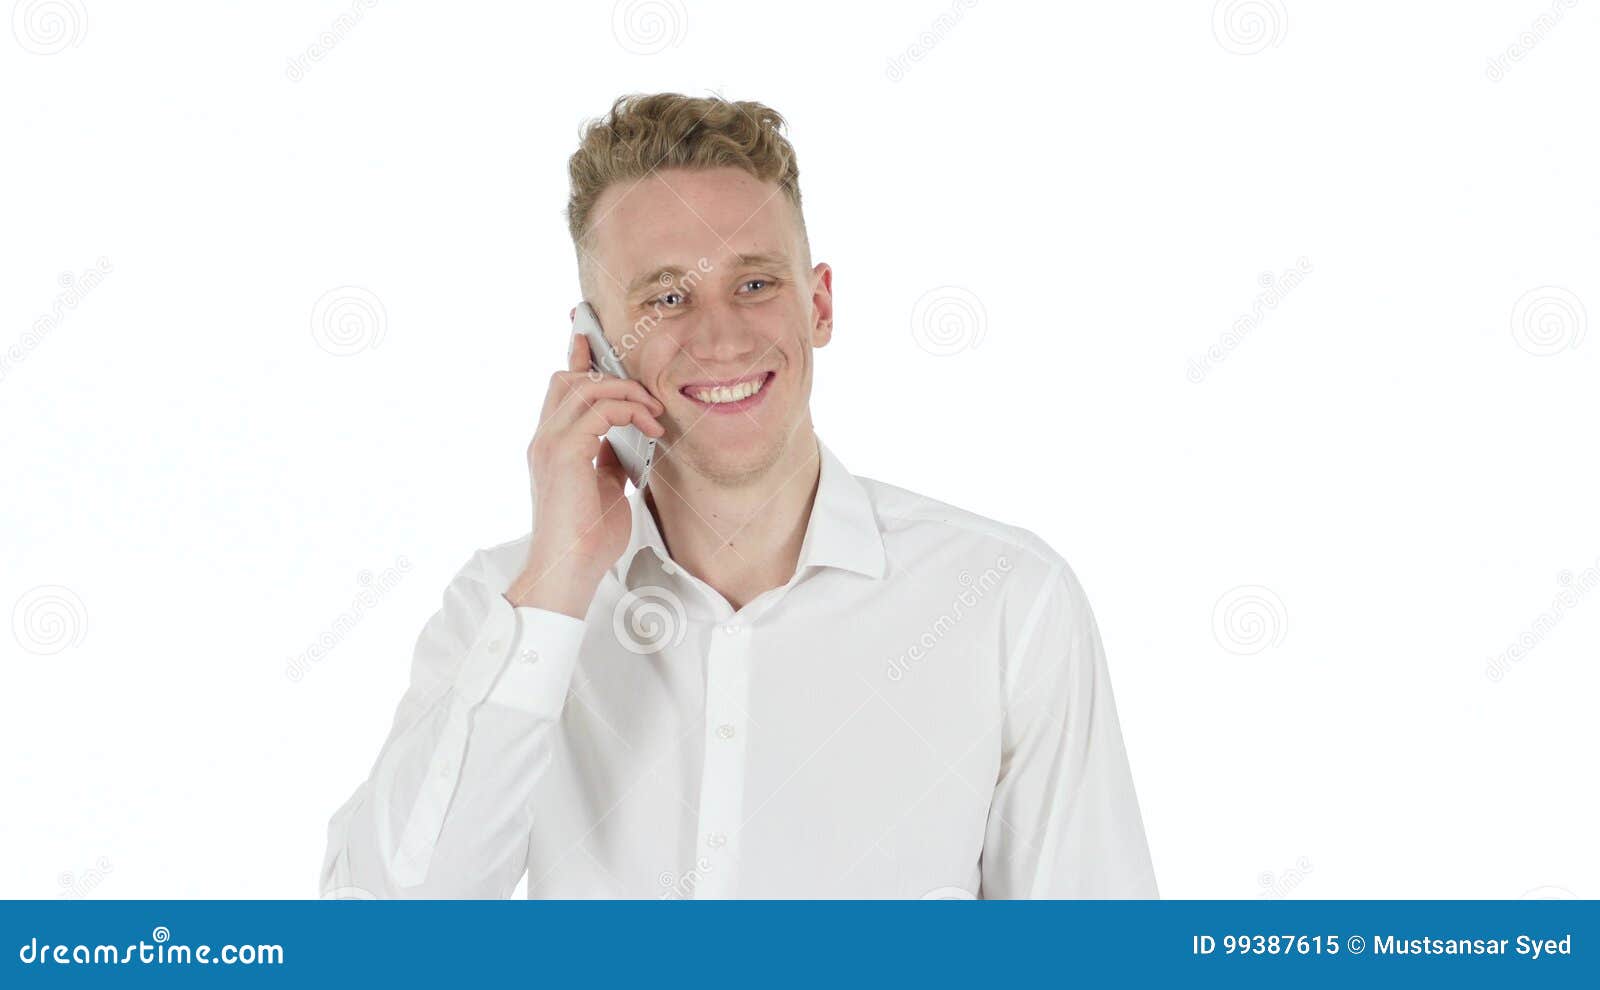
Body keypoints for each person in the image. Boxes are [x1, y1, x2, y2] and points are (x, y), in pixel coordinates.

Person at [319, 92, 1157, 899]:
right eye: (668, 298)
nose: (721, 337)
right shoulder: (505, 610)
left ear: (820, 303)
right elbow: (378, 929)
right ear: (595, 347)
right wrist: (557, 589)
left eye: (755, 284)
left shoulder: (1007, 601)